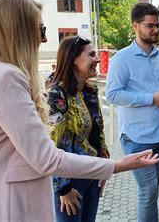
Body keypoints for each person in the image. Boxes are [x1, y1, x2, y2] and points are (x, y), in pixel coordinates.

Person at [0, 0, 159, 221]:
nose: (43, 40)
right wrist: (114, 166)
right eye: (41, 30)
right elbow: (46, 157)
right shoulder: (6, 77)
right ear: (19, 31)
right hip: (5, 203)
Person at [105, 2, 159, 222]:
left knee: (151, 192)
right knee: (149, 192)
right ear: (135, 26)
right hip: (136, 138)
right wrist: (152, 99)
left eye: (157, 26)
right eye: (150, 26)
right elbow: (112, 95)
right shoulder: (122, 59)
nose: (155, 30)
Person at [47, 36, 110, 221]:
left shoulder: (90, 92)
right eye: (91, 55)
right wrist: (63, 188)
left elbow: (98, 131)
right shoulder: (57, 95)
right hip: (70, 179)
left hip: (92, 174)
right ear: (74, 59)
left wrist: (104, 166)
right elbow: (51, 144)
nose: (97, 60)